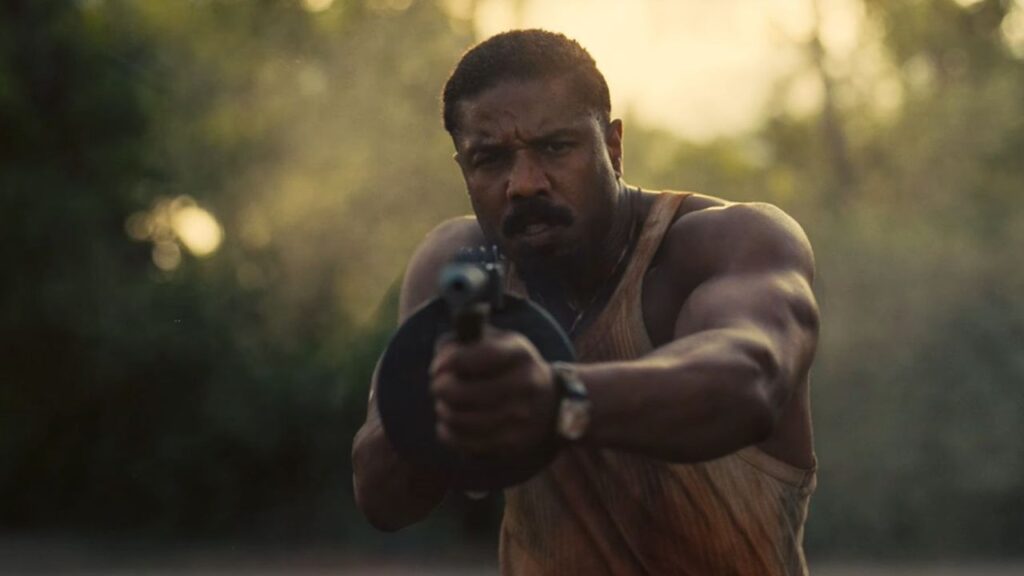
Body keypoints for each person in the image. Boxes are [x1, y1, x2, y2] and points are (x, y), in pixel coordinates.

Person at [352, 29, 820, 575]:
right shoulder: (459, 265)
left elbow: (748, 382)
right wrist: (441, 406)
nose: (524, 184)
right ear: (464, 171)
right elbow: (381, 500)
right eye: (491, 158)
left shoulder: (721, 245)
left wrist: (557, 400)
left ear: (614, 147)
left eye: (555, 147)